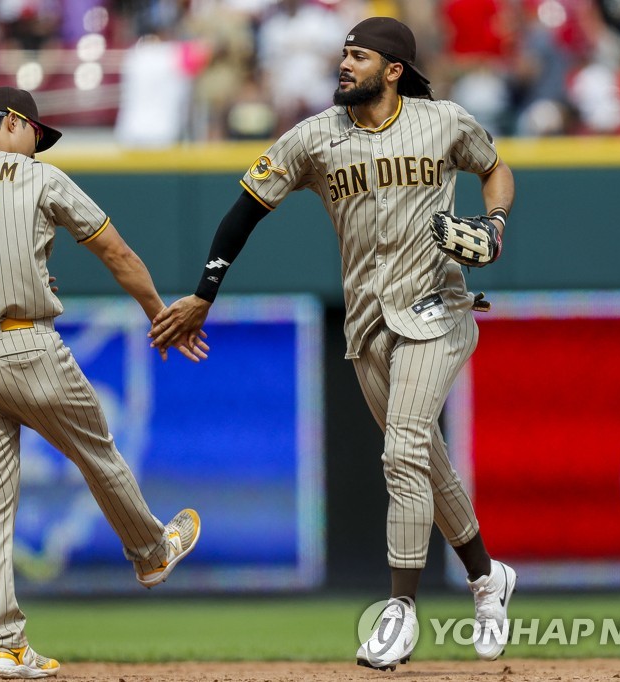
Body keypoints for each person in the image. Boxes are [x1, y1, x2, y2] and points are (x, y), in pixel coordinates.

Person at [150, 17, 517, 671]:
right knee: (424, 461)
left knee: (403, 447)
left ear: (394, 69)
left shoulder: (444, 121)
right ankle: (488, 579)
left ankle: (398, 612)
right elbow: (245, 210)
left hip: (440, 308)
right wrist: (205, 292)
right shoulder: (315, 137)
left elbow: (496, 169)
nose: (343, 64)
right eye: (343, 54)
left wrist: (493, 223)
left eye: (358, 56)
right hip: (369, 321)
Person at [0, 86, 205, 680]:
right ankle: (151, 552)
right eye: (36, 131)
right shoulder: (38, 177)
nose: (38, 144)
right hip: (26, 343)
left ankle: (5, 647)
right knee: (97, 450)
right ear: (12, 121)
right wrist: (159, 313)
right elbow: (115, 251)